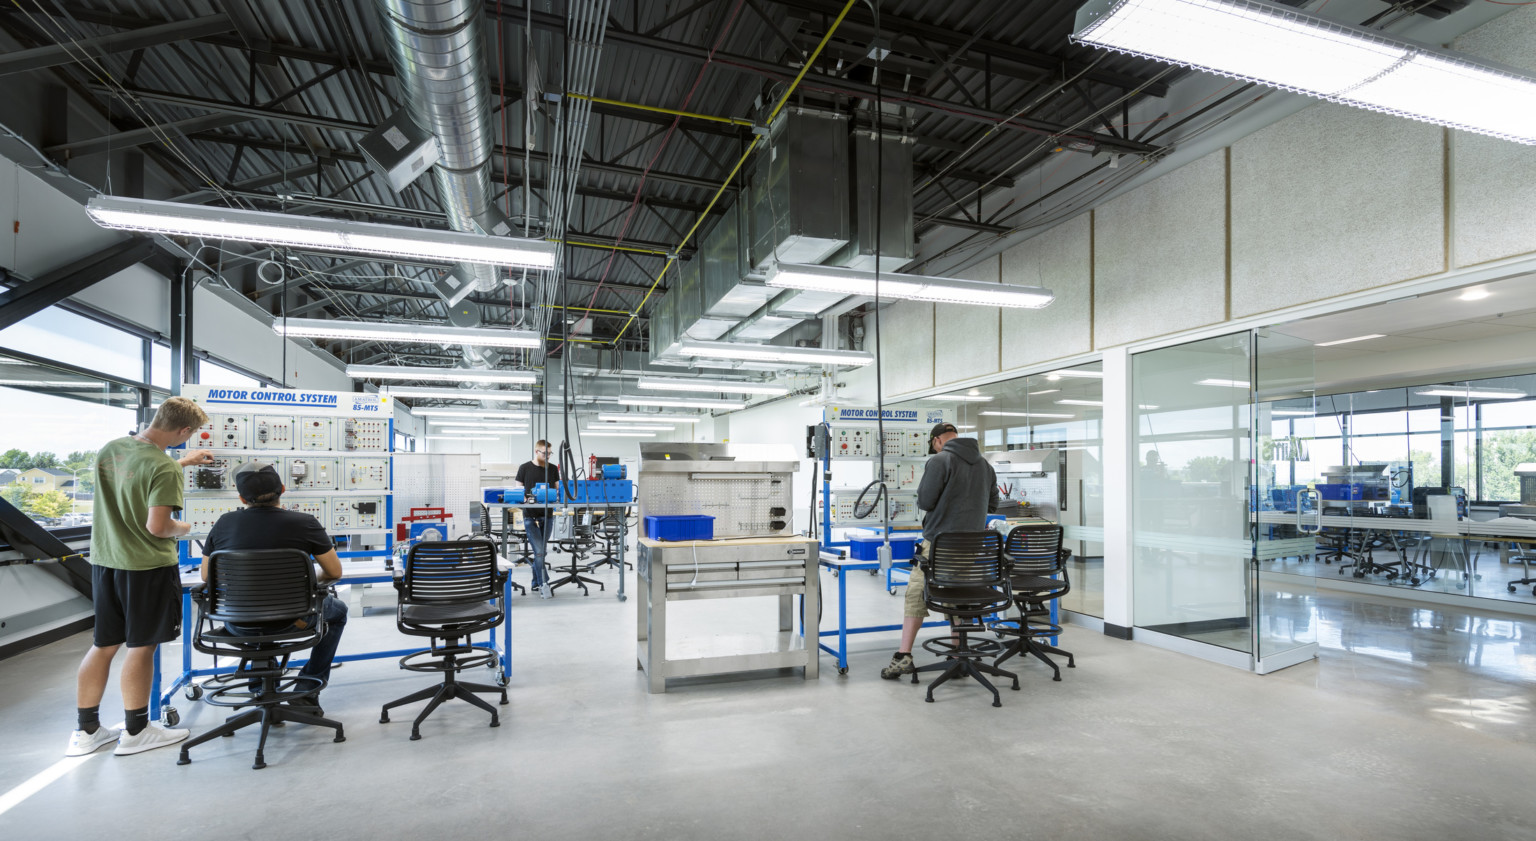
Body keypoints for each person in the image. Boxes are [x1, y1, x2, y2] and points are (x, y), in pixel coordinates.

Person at [67, 396, 213, 757]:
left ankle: (86, 732)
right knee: (142, 646)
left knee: (103, 645)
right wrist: (185, 527)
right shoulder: (165, 469)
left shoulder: (112, 449)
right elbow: (158, 526)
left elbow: (136, 476)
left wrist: (179, 462)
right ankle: (136, 730)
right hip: (146, 567)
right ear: (183, 431)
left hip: (105, 561)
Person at [200, 461, 347, 714]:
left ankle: (261, 687)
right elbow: (334, 572)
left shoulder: (224, 523)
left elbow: (206, 575)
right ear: (282, 488)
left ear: (241, 497)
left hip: (237, 623)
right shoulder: (305, 522)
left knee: (255, 623)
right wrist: (309, 585)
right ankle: (305, 690)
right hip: (293, 620)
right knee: (338, 613)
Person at [881, 421, 999, 680]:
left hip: (938, 545)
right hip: (972, 547)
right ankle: (958, 654)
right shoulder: (985, 465)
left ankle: (904, 656)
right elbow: (993, 503)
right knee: (958, 596)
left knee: (915, 594)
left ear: (936, 441)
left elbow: (925, 501)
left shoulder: (940, 461)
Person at [515, 440, 560, 597]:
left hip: (547, 516)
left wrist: (556, 497)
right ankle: (544, 583)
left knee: (541, 552)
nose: (547, 456)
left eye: (549, 453)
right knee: (540, 552)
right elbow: (518, 489)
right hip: (530, 516)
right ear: (536, 451)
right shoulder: (524, 468)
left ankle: (535, 582)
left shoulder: (553, 469)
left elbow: (557, 489)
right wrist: (524, 498)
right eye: (544, 453)